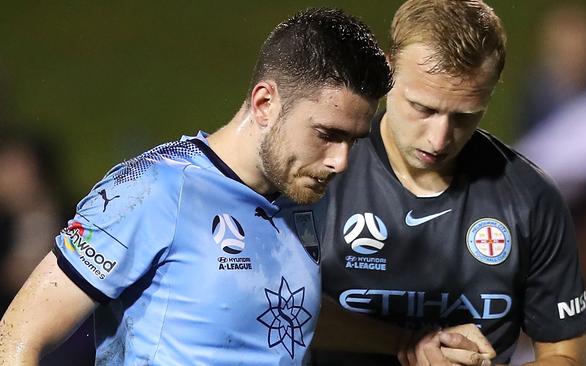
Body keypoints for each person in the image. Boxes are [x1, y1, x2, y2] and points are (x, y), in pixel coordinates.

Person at [0, 8, 392, 365]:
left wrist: (406, 343)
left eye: (353, 141)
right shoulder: (153, 188)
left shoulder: (302, 197)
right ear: (264, 103)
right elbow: (18, 336)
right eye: (327, 134)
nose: (340, 162)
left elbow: (279, 317)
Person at [293, 0, 586, 365]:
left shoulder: (531, 199)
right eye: (424, 108)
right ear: (386, 73)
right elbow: (266, 306)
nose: (439, 138)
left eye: (464, 116)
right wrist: (408, 343)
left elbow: (567, 354)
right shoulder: (318, 176)